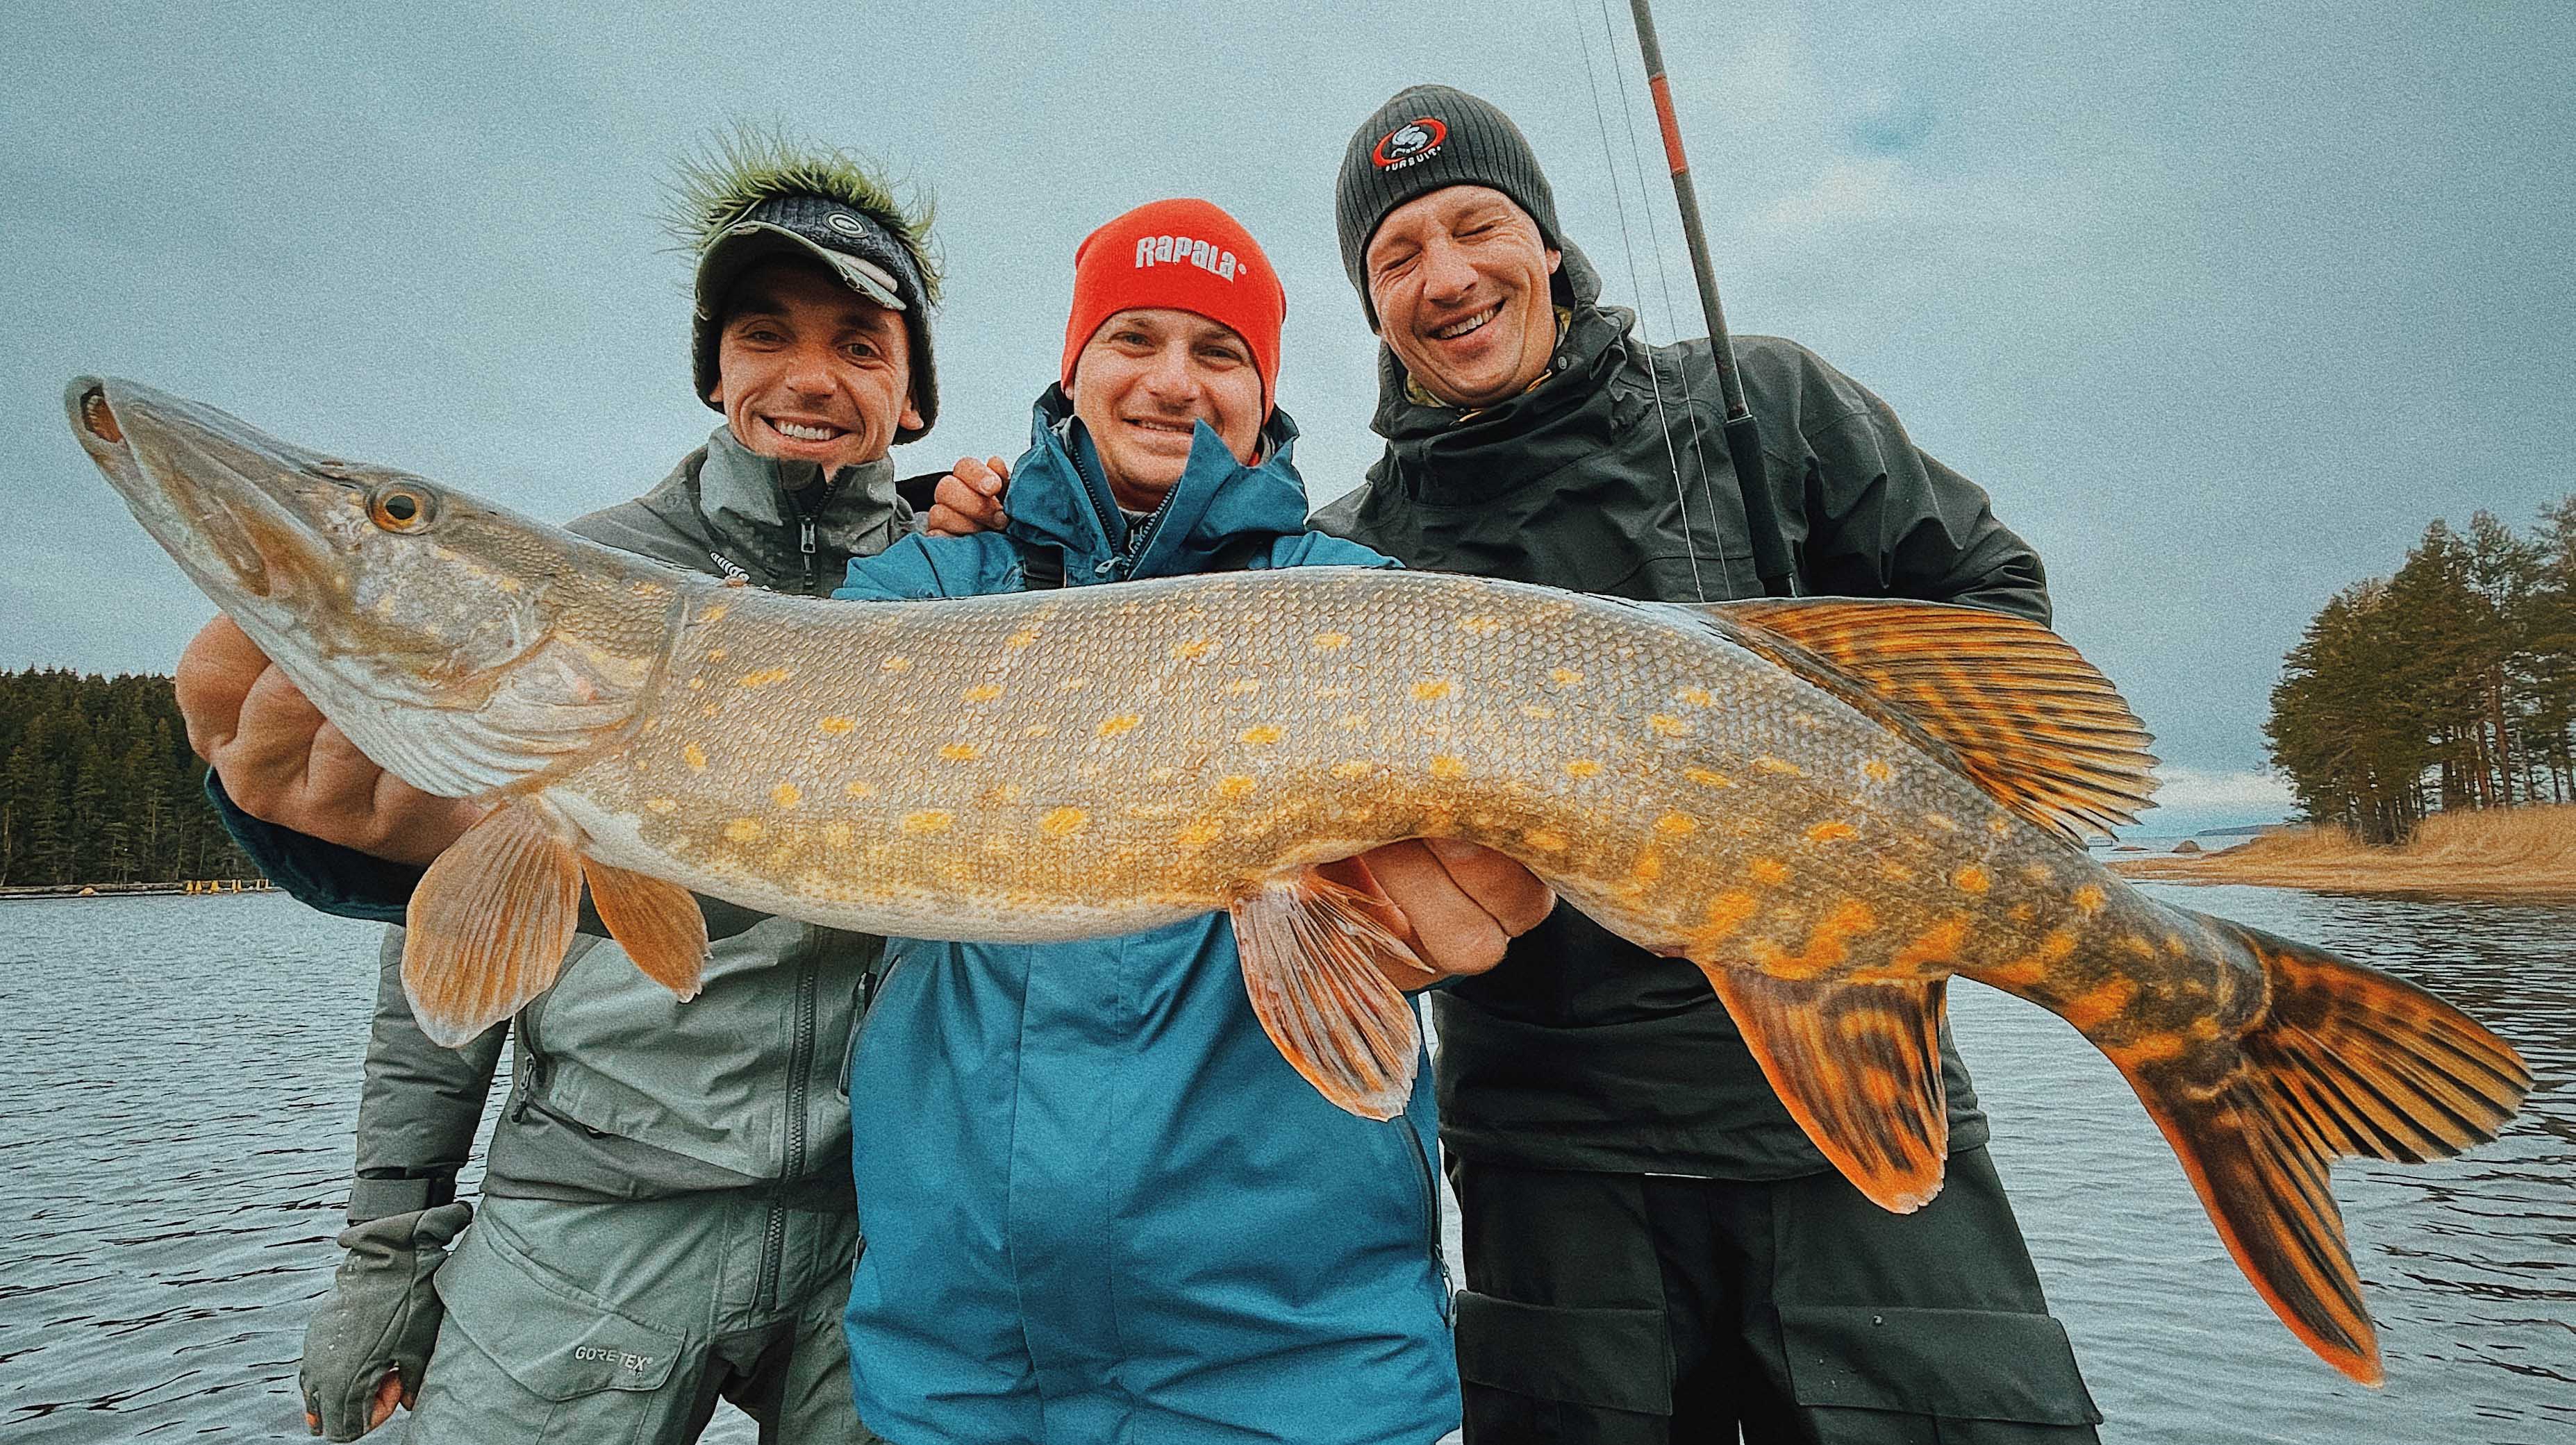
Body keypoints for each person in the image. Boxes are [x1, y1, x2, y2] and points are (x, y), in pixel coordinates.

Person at [1313, 84, 2106, 1444]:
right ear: (1374, 304)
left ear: (1545, 244)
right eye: (1397, 257)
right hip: (1557, 1180)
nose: (1444, 274)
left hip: (1851, 1130)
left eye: (1474, 226)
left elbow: (1989, 612)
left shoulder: (1768, 406)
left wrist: (1824, 793)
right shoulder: (1354, 557)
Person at [177, 135, 947, 1444]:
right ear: (714, 368)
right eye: (766, 334)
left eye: (861, 346)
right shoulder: (568, 577)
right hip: (591, 1221)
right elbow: (445, 948)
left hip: (877, 1241)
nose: (809, 376)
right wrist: (387, 1248)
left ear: (912, 395)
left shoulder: (956, 597)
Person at [829, 197, 1553, 1445]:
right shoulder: (928, 588)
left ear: (1263, 394)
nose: (1173, 380)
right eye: (1133, 338)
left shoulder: (1351, 599)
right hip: (964, 1373)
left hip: (1295, 1374)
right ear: (1073, 369)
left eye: (1217, 353)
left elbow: (1432, 918)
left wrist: (1425, 924)